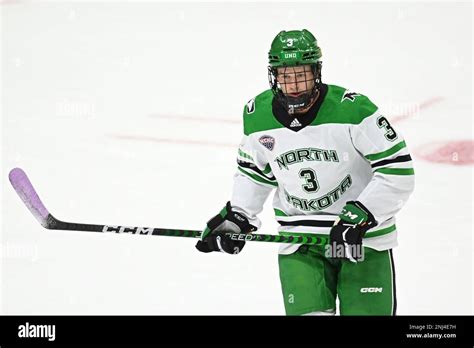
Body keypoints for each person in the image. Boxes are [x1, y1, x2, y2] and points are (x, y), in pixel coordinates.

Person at [195, 29, 415, 316]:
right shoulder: (257, 116)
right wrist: (238, 217)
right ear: (274, 76)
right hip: (300, 243)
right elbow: (254, 173)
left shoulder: (354, 111)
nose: (295, 85)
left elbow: (398, 169)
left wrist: (363, 214)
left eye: (302, 75)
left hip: (361, 242)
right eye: (286, 77)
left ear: (317, 72)